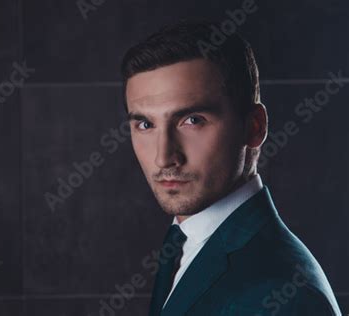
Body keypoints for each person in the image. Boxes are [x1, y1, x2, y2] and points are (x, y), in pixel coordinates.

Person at [120, 20, 341, 315]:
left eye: (192, 120)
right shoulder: (187, 242)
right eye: (145, 124)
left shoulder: (285, 295)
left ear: (254, 127)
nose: (164, 158)